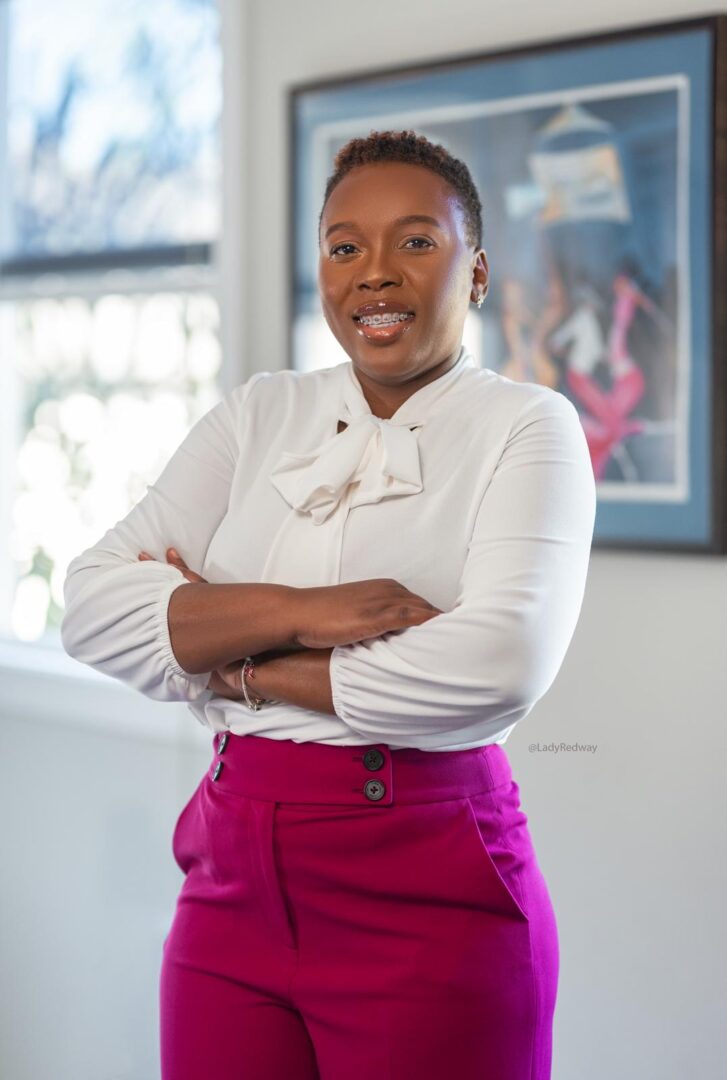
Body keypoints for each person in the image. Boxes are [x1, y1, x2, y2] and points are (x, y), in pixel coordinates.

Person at [61, 130, 597, 1080]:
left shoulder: (527, 427)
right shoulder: (257, 413)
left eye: (416, 241)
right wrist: (308, 611)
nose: (374, 272)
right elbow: (95, 608)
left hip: (430, 889)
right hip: (228, 883)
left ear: (475, 272)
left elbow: (497, 665)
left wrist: (233, 657)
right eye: (344, 246)